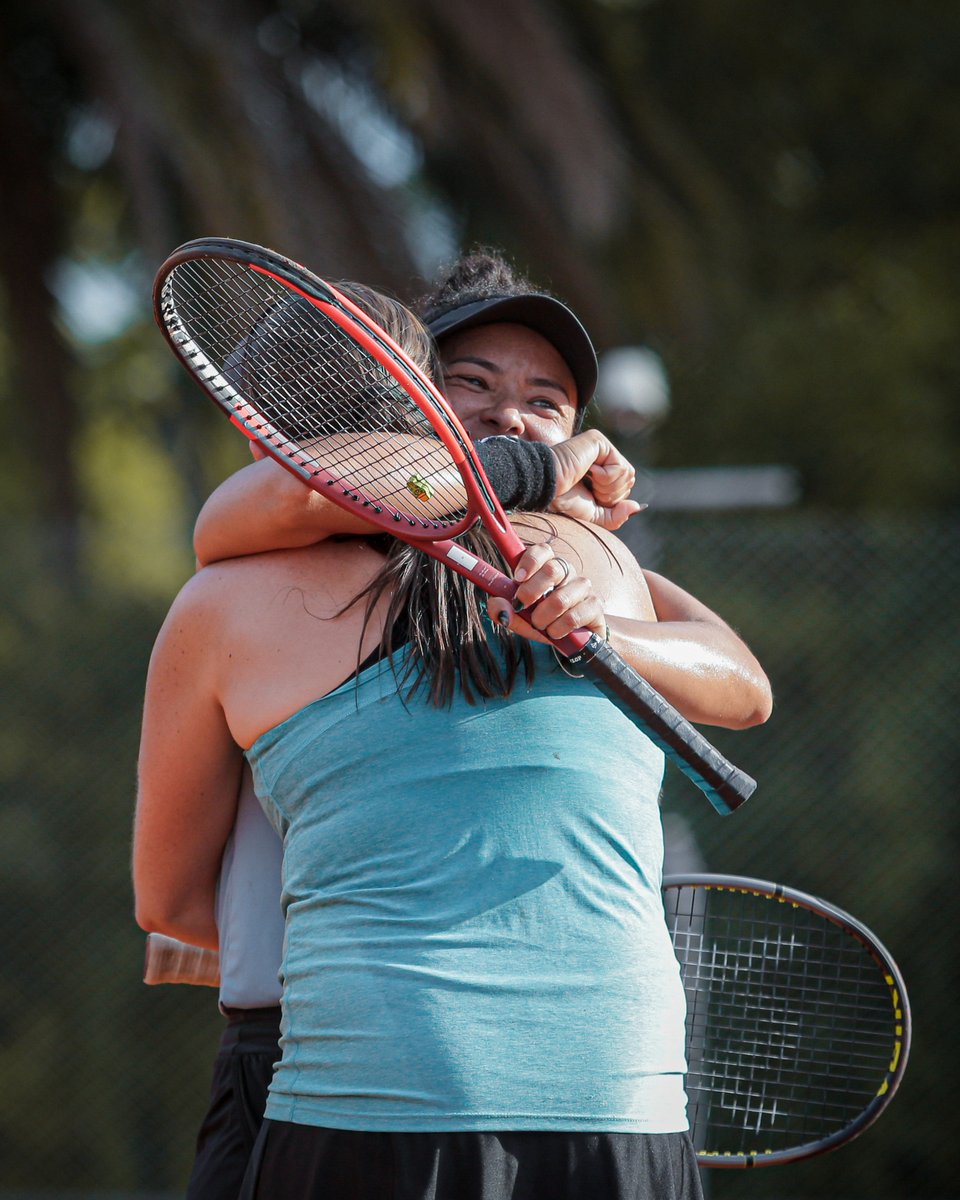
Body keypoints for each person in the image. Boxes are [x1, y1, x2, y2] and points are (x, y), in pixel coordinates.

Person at [137, 258, 771, 1200]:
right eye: (471, 383)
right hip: (364, 1092)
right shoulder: (253, 577)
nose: (513, 414)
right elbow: (260, 503)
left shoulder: (592, 560)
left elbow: (744, 685)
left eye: (548, 401)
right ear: (402, 398)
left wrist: (595, 627)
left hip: (599, 1100)